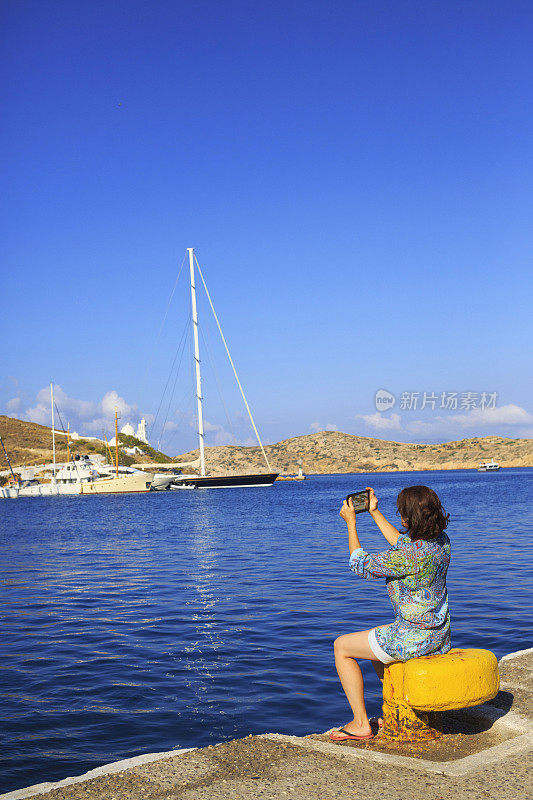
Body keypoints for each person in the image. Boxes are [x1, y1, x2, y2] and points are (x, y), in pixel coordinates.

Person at [330, 484, 451, 742]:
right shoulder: (441, 542)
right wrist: (374, 512)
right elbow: (403, 542)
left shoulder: (408, 555)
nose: (399, 517)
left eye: (401, 513)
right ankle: (398, 709)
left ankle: (361, 724)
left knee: (342, 647)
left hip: (414, 638)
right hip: (439, 635)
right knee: (376, 647)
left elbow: (360, 565)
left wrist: (351, 523)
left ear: (409, 517)